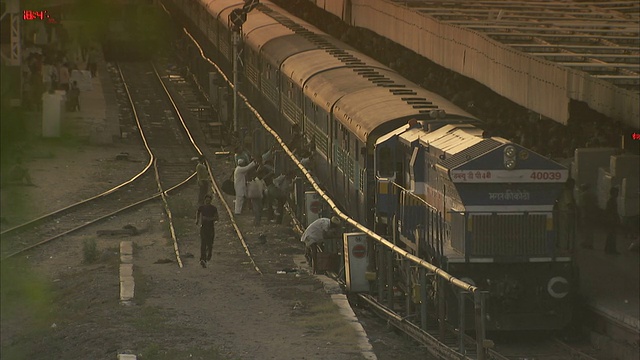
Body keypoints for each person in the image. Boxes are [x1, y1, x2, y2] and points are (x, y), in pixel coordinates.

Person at [196, 195, 219, 268]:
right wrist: (197, 220)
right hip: (203, 228)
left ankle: (209, 255)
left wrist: (209, 219)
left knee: (210, 244)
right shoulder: (202, 207)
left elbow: (217, 218)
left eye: (209, 200)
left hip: (211, 228)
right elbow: (198, 213)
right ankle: (202, 259)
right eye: (206, 200)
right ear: (204, 200)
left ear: (210, 201)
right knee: (203, 243)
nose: (207, 202)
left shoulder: (213, 208)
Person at [577, 183, 598, 249]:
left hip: (585, 214)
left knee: (585, 229)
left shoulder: (582, 195)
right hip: (592, 214)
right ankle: (590, 243)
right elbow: (596, 203)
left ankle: (585, 242)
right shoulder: (593, 194)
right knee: (591, 229)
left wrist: (582, 215)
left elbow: (582, 205)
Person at [604, 187, 620, 255]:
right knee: (612, 234)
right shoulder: (612, 201)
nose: (617, 194)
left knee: (610, 234)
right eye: (616, 192)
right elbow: (612, 211)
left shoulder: (611, 200)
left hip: (610, 219)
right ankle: (612, 249)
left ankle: (608, 248)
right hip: (612, 220)